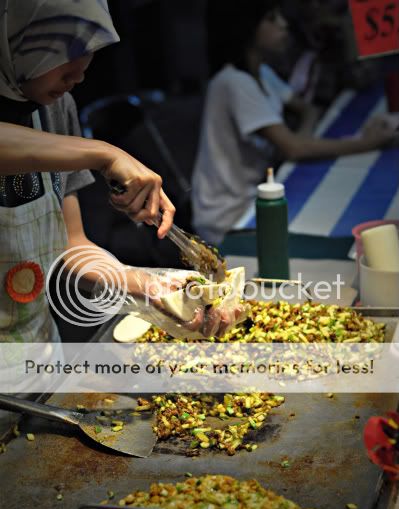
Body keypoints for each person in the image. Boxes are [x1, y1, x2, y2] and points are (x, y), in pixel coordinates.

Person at [0, 0, 239, 343]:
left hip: (38, 351)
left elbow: (72, 245)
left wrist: (148, 285)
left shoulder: (54, 108)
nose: (78, 74)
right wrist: (104, 153)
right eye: (59, 49)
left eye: (87, 48)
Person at [192, 0, 397, 246]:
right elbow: (295, 147)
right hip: (228, 217)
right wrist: (368, 143)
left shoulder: (263, 74)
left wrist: (300, 140)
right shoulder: (234, 83)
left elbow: (306, 114)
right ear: (247, 29)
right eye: (271, 19)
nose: (283, 24)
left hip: (256, 196)